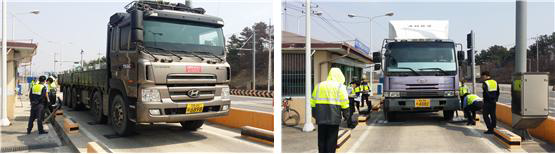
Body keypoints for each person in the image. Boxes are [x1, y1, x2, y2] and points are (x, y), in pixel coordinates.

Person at [311, 68, 349, 153]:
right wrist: (346, 115)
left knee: (321, 139)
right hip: (334, 117)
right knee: (331, 140)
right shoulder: (340, 86)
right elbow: (345, 103)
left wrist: (314, 114)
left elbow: (312, 102)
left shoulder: (319, 85)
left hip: (321, 117)